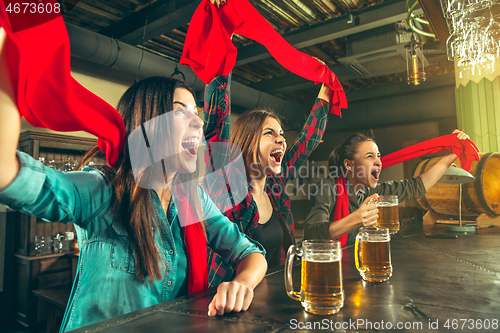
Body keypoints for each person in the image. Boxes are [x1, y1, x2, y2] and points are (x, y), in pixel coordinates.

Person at [0, 29, 266, 332]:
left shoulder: (191, 198)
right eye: (181, 113)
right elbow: (6, 173)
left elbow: (249, 252)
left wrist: (242, 284)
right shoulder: (102, 190)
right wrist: (10, 44)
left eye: (197, 113)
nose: (198, 122)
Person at [203, 69, 332, 281]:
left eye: (281, 133)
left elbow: (307, 141)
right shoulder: (227, 186)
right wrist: (221, 63)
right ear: (247, 141)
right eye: (269, 133)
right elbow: (216, 125)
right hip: (228, 302)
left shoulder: (274, 186)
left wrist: (327, 88)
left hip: (271, 301)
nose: (281, 139)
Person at [303, 130, 471, 244]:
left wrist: (451, 155)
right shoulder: (328, 187)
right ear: (349, 164)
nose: (378, 161)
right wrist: (356, 218)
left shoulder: (372, 192)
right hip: (328, 272)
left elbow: (415, 186)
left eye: (379, 156)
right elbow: (311, 234)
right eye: (370, 156)